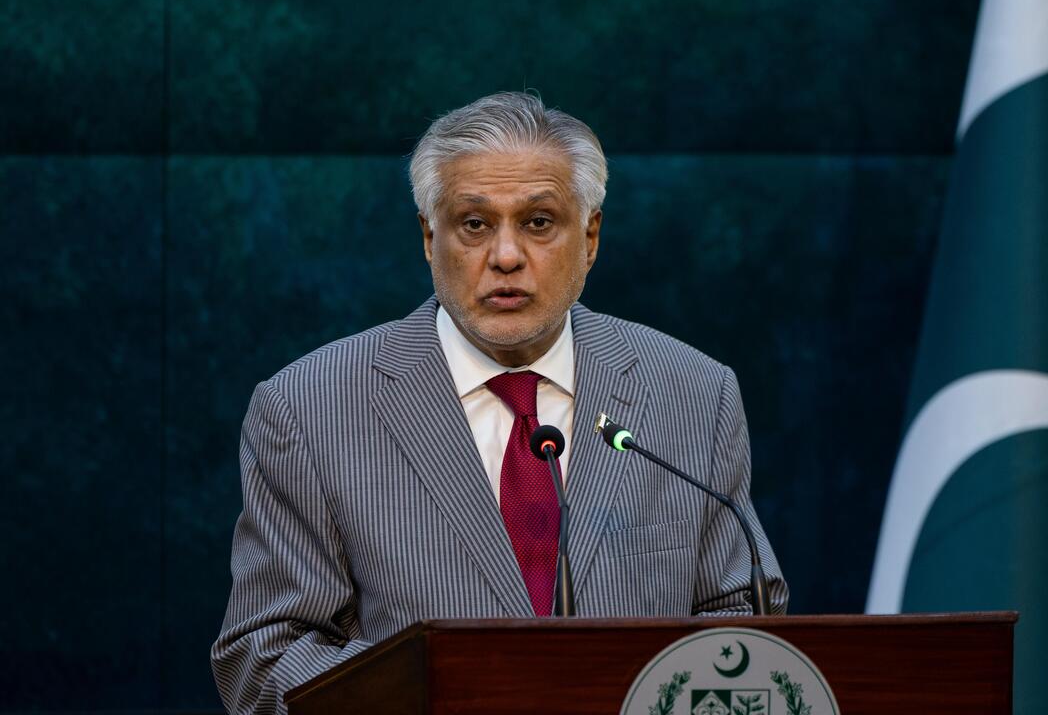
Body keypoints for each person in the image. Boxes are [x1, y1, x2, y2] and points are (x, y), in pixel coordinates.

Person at [211, 92, 788, 713]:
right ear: (428, 236)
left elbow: (740, 624)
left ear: (590, 238)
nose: (506, 257)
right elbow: (265, 656)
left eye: (538, 222)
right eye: (474, 224)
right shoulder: (308, 408)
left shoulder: (693, 394)